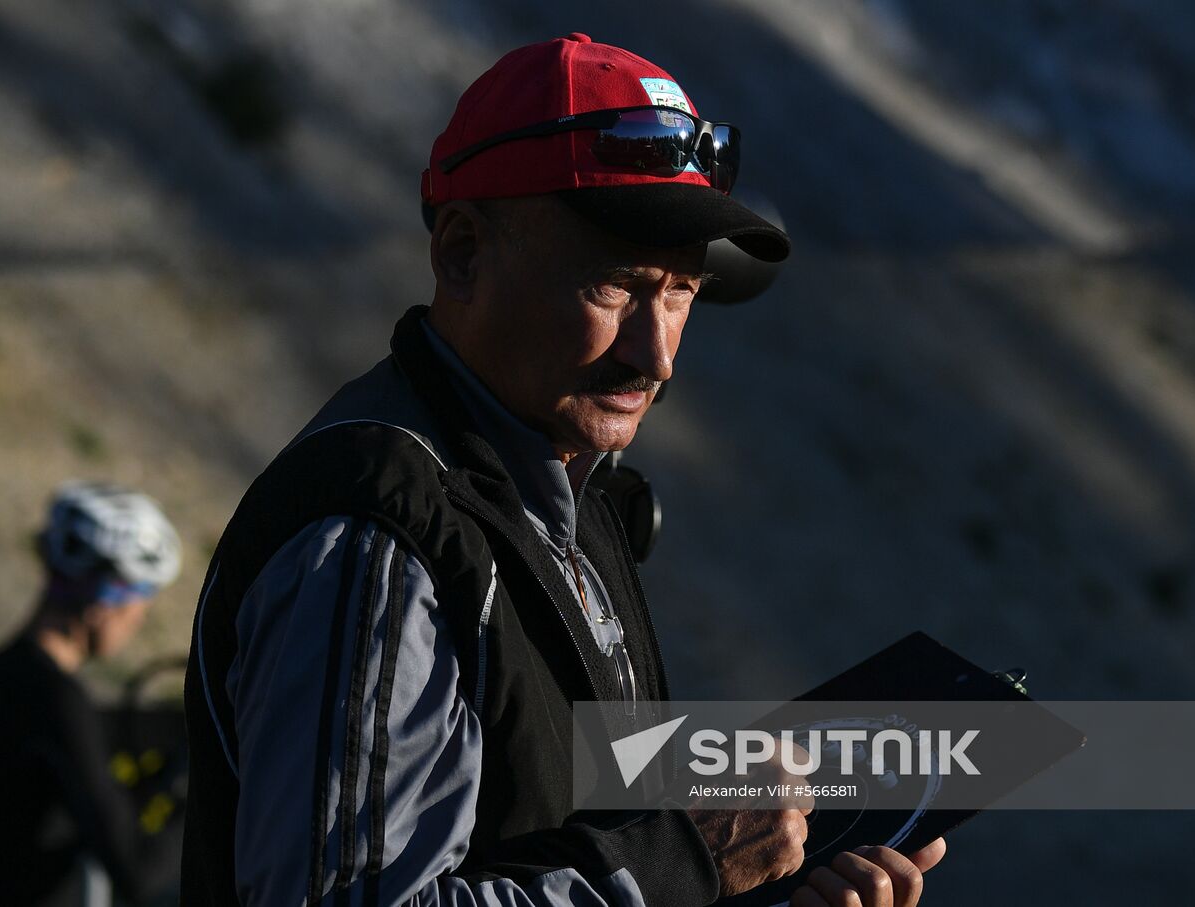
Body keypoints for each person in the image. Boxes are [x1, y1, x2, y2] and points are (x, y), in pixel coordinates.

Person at [181, 34, 946, 907]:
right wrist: (684, 864)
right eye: (616, 284)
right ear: (463, 252)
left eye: (681, 292)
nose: (655, 356)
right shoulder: (376, 538)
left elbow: (558, 828)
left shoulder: (562, 492)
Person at [0, 481, 186, 906]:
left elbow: (102, 732)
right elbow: (138, 870)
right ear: (106, 600)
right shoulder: (57, 701)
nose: (139, 620)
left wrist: (192, 724)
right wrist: (210, 799)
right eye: (142, 601)